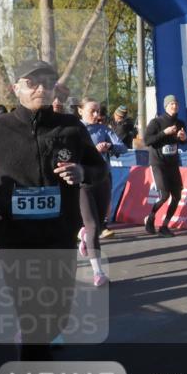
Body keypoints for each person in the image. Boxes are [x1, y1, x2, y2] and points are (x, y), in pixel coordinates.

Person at [0, 60, 106, 360]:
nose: (40, 88)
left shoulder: (71, 127)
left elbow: (98, 168)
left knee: (57, 315)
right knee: (34, 318)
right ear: (16, 88)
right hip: (15, 238)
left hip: (59, 235)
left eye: (47, 82)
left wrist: (82, 172)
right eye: (32, 82)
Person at [77, 98, 126, 286]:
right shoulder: (75, 131)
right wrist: (92, 152)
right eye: (92, 111)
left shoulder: (104, 130)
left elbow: (122, 146)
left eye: (98, 111)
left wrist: (110, 146)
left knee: (98, 225)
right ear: (81, 111)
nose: (97, 115)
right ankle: (98, 272)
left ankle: (84, 236)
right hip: (83, 183)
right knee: (92, 227)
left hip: (103, 179)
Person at [143, 94, 187, 237]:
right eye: (171, 104)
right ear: (166, 106)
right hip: (158, 163)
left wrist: (183, 138)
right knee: (164, 195)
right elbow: (147, 140)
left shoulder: (180, 123)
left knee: (177, 196)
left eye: (176, 104)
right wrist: (164, 132)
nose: (174, 106)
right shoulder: (156, 122)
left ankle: (164, 226)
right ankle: (150, 217)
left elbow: (183, 142)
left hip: (172, 164)